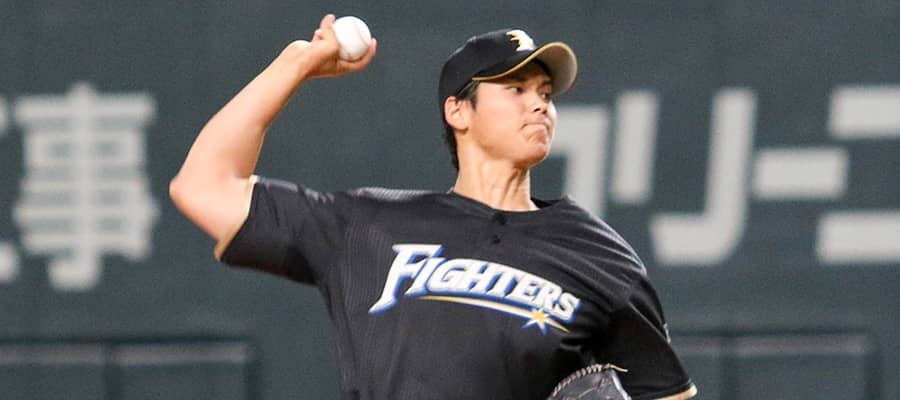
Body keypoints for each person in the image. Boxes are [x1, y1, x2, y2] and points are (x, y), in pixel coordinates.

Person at [170, 14, 697, 400]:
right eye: (515, 88)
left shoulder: (601, 257)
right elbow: (202, 186)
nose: (539, 103)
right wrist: (296, 64)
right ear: (458, 111)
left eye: (545, 92)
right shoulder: (368, 227)